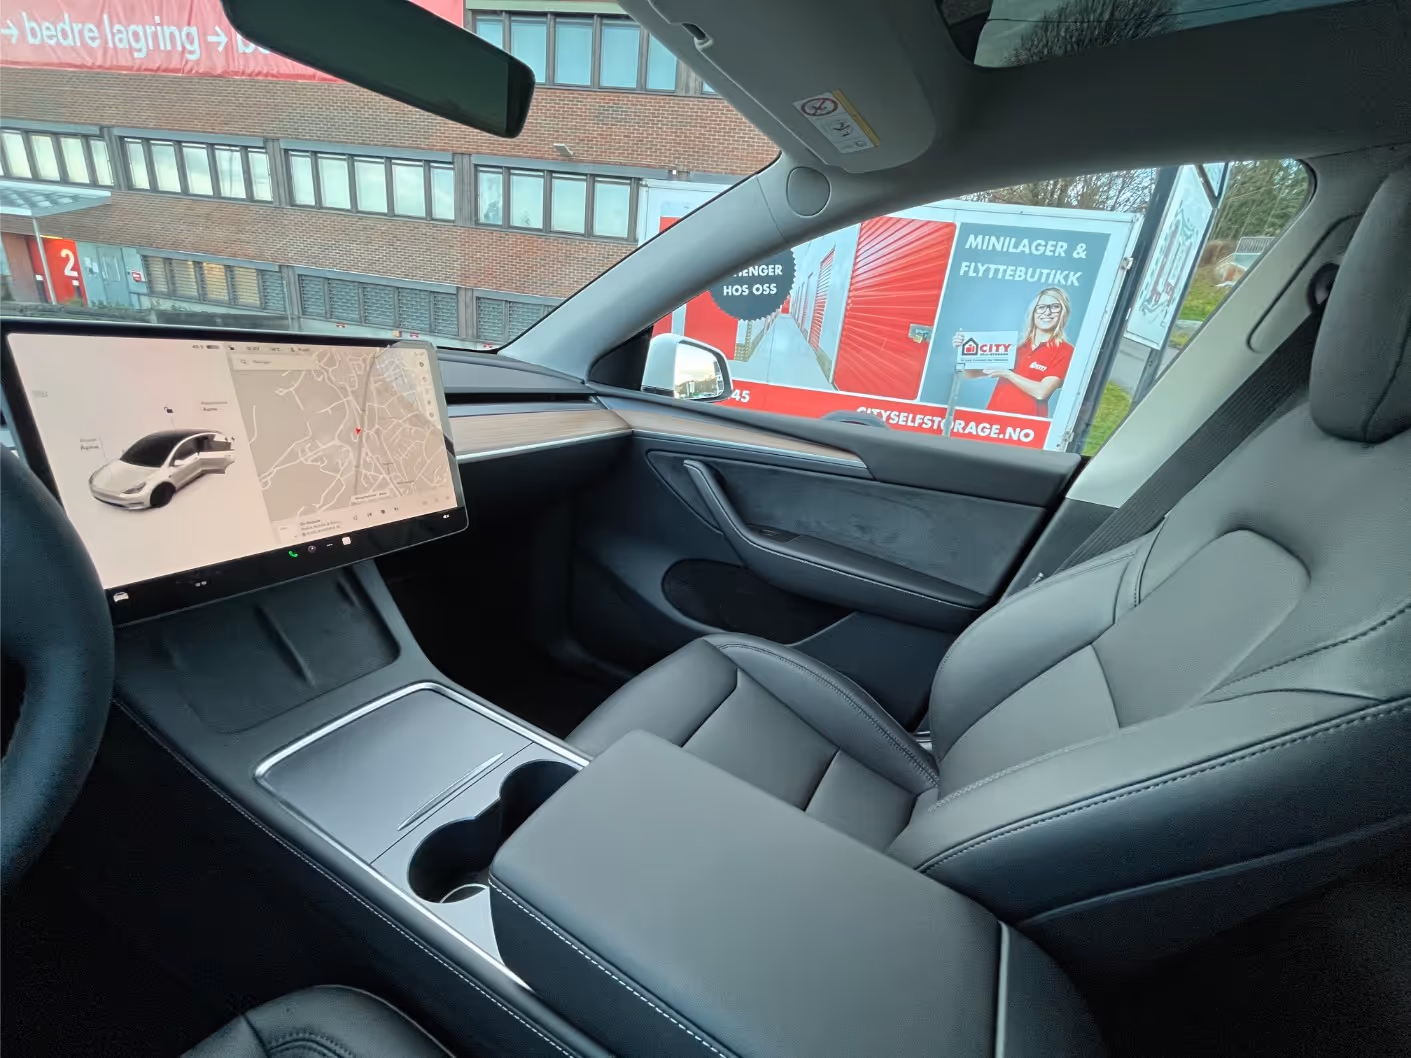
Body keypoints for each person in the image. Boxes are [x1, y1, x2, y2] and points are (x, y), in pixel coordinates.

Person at [958, 287, 1074, 418]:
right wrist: (962, 349)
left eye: (1054, 307)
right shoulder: (1017, 348)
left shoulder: (1064, 351)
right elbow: (970, 373)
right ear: (1033, 313)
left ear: (1063, 313)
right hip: (991, 422)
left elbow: (1042, 392)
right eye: (1041, 307)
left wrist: (1008, 374)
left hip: (1025, 428)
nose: (1047, 312)